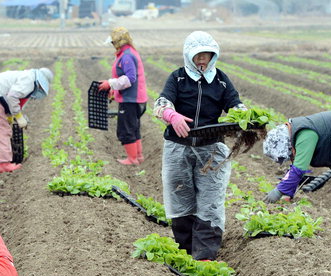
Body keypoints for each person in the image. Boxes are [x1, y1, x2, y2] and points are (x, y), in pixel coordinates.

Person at [153, 31, 247, 261]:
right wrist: (170, 115)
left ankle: (204, 257)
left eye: (207, 55)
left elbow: (235, 105)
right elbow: (161, 103)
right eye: (198, 56)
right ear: (189, 56)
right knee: (180, 197)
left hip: (211, 149)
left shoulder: (221, 80)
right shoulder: (177, 78)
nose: (202, 60)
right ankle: (185, 251)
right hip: (178, 147)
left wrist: (244, 116)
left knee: (210, 201)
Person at [0, 67, 53, 173]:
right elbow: (12, 96)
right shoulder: (29, 80)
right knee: (2, 130)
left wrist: (10, 116)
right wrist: (19, 116)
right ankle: (4, 164)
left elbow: (11, 97)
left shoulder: (26, 76)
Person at [98, 26, 148, 165]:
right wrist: (114, 88)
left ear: (118, 42)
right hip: (137, 99)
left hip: (131, 100)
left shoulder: (126, 56)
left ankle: (132, 159)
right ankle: (138, 156)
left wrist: (110, 83)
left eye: (113, 43)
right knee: (134, 127)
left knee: (126, 129)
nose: (112, 45)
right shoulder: (129, 53)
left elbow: (130, 78)